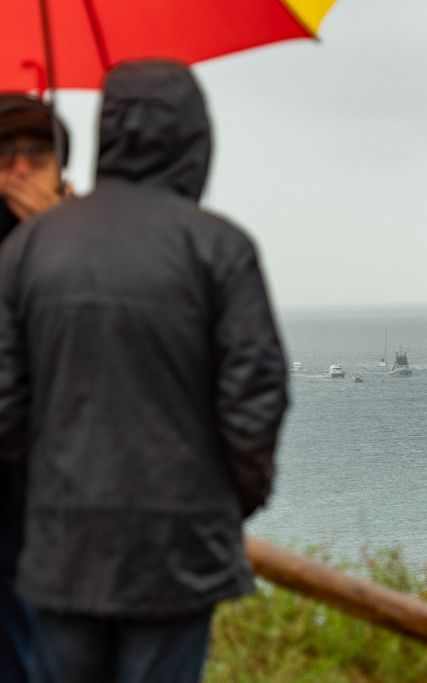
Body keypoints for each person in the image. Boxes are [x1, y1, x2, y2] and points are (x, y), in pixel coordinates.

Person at [0, 60, 288, 683]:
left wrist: (51, 484)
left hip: (61, 549)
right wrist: (225, 503)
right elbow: (256, 400)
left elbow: (6, 406)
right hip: (178, 553)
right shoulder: (220, 249)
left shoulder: (27, 250)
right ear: (195, 138)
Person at [0, 93, 70, 683]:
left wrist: (62, 242)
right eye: (4, 154)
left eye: (36, 153)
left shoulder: (89, 241)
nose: (19, 168)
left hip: (61, 505)